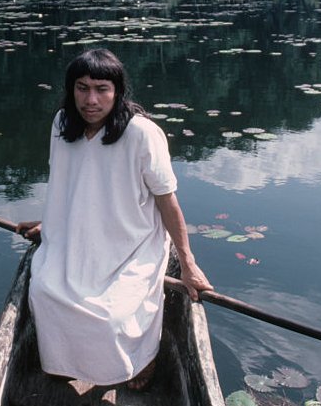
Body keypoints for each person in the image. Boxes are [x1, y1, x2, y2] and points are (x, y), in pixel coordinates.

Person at [16, 48, 212, 390]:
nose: (91, 99)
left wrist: (189, 263)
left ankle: (143, 359)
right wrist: (51, 226)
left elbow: (168, 203)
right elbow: (67, 184)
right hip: (75, 238)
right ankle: (66, 359)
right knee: (45, 291)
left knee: (112, 315)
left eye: (102, 89)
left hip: (131, 243)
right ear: (70, 89)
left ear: (117, 92)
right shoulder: (62, 124)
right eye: (82, 88)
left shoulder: (142, 134)